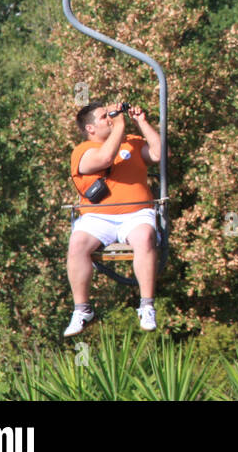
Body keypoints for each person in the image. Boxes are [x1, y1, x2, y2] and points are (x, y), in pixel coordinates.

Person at [65, 100, 164, 336]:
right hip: (98, 217)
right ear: (90, 128)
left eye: (110, 115)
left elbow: (160, 154)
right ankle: (82, 309)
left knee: (145, 236)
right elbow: (104, 159)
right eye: (103, 117)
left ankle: (147, 306)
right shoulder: (83, 151)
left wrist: (142, 123)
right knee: (77, 243)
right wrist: (119, 123)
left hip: (136, 213)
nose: (110, 119)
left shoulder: (131, 142)